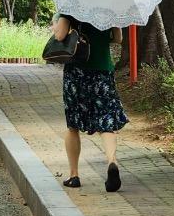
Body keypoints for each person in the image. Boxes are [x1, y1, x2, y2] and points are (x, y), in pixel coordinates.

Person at [52, 14, 127, 192]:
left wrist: (56, 24)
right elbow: (118, 38)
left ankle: (74, 175)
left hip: (77, 72)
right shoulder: (109, 9)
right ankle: (112, 162)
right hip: (103, 70)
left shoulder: (71, 9)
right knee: (107, 122)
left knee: (73, 125)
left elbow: (60, 36)